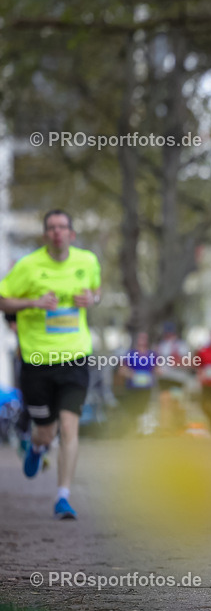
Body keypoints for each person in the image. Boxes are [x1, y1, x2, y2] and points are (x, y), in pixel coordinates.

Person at [0, 209, 101, 519]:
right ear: (45, 235)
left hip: (74, 357)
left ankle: (63, 496)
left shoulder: (87, 261)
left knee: (70, 426)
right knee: (47, 431)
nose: (57, 232)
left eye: (63, 227)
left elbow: (96, 291)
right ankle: (35, 446)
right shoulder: (28, 266)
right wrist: (33, 302)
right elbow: (3, 300)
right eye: (52, 228)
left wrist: (92, 300)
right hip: (37, 361)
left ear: (71, 233)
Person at [154, 322, 190, 433]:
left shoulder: (182, 346)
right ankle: (165, 428)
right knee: (164, 401)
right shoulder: (161, 346)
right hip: (165, 379)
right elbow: (156, 362)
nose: (169, 336)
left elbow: (187, 363)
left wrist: (178, 362)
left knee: (177, 403)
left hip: (178, 379)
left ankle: (178, 426)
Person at [118, 331, 157, 430]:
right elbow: (122, 370)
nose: (142, 341)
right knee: (133, 409)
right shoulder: (131, 354)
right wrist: (131, 374)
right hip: (133, 388)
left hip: (146, 387)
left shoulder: (152, 355)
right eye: (140, 338)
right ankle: (133, 429)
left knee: (144, 408)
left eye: (144, 339)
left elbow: (157, 369)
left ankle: (142, 429)